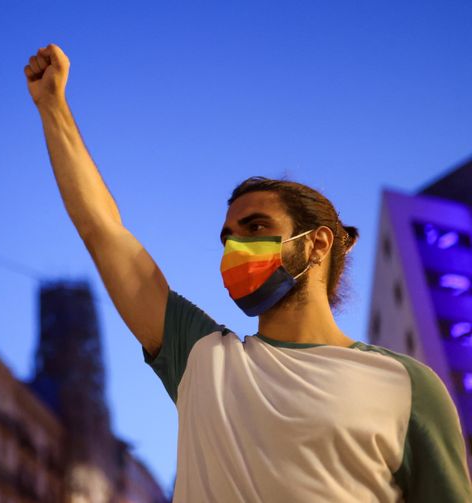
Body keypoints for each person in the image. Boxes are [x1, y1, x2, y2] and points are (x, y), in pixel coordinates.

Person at [24, 44, 472, 502]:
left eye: (256, 227)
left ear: (318, 244)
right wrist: (53, 107)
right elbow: (103, 231)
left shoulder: (407, 386)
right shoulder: (201, 360)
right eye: (227, 237)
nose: (236, 247)